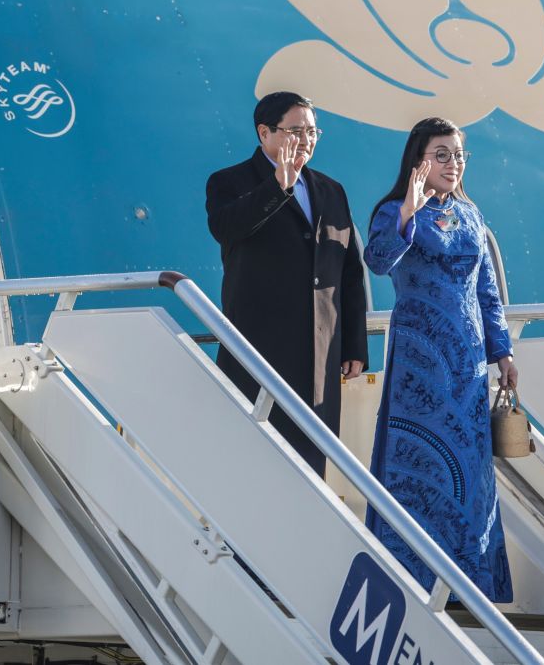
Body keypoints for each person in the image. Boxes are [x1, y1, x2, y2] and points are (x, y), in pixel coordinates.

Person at [363, 116, 517, 602]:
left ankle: (468, 583)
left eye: (459, 155)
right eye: (442, 155)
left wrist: (503, 350)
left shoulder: (472, 215)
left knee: (469, 472)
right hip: (420, 362)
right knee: (418, 464)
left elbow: (487, 290)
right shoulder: (393, 210)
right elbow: (377, 260)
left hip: (467, 362)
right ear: (418, 160)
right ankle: (408, 575)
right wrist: (409, 214)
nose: (453, 164)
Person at [206, 91, 368, 476]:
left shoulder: (330, 189)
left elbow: (347, 270)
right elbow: (226, 229)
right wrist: (277, 186)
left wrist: (354, 344)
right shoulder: (230, 182)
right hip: (260, 345)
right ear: (265, 133)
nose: (307, 140)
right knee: (255, 460)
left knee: (313, 458)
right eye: (296, 131)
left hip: (319, 352)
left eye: (313, 131)